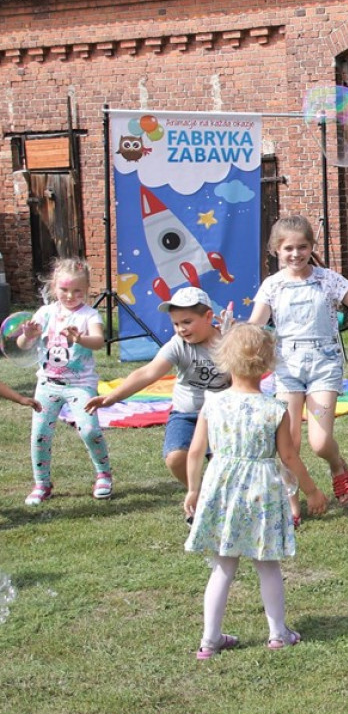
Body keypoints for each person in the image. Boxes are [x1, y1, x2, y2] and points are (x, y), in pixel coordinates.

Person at [183, 323, 328, 659]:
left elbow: (195, 451)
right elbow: (288, 456)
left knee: (223, 566)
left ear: (224, 360)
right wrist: (311, 491)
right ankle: (278, 634)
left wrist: (193, 489)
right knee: (267, 564)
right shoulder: (274, 409)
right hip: (262, 491)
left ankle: (209, 640)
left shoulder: (213, 404)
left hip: (222, 488)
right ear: (268, 364)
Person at [247, 215, 348, 506]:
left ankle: (337, 465)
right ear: (276, 250)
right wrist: (232, 330)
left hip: (324, 365)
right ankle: (292, 504)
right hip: (287, 367)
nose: (296, 254)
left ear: (311, 246)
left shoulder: (327, 279)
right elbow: (255, 326)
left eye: (302, 247)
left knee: (320, 443)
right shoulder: (272, 286)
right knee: (289, 443)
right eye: (288, 248)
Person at [86, 287, 230, 486]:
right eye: (176, 324)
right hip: (186, 415)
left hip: (223, 415)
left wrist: (236, 342)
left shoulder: (229, 342)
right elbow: (147, 372)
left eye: (187, 322)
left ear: (208, 317)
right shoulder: (178, 344)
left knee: (224, 464)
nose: (181, 329)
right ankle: (198, 491)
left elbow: (249, 371)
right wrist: (113, 397)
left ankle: (217, 494)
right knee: (175, 458)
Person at [18, 258, 112, 505]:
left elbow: (99, 342)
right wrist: (27, 336)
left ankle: (103, 474)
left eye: (77, 290)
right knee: (40, 434)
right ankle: (42, 484)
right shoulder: (45, 313)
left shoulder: (90, 315)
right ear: (53, 287)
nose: (70, 296)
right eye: (64, 289)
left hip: (81, 385)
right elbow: (23, 345)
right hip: (47, 384)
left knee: (89, 430)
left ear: (87, 289)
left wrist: (80, 339)